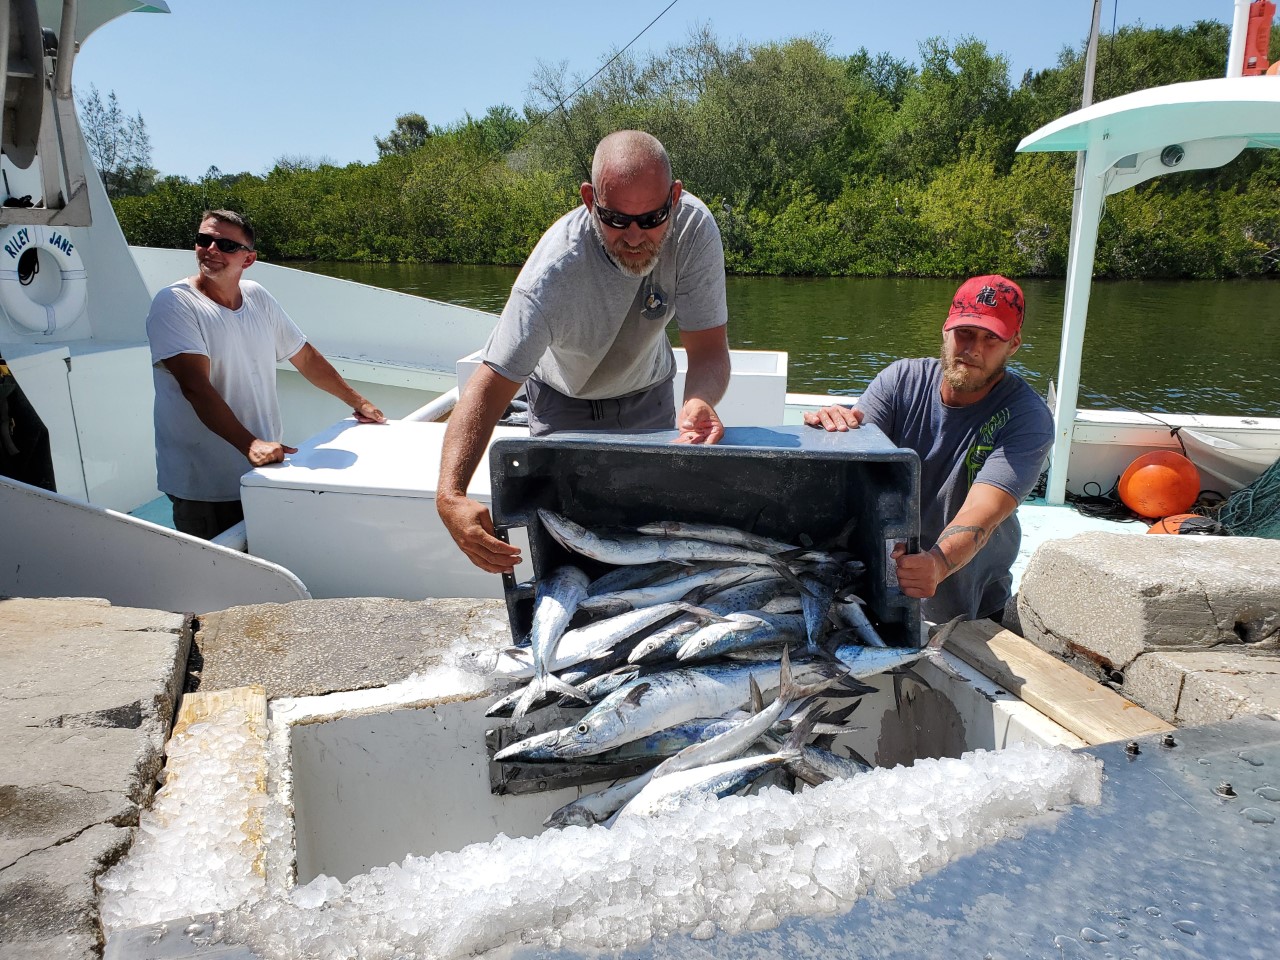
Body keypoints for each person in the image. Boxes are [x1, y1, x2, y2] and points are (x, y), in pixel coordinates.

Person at [438, 130, 731, 574]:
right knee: (572, 556)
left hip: (649, 395)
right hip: (563, 406)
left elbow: (709, 350)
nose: (635, 237)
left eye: (652, 218)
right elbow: (487, 389)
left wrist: (699, 400)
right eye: (616, 219)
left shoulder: (693, 229)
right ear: (590, 200)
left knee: (650, 538)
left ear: (675, 196)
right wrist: (451, 495)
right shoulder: (550, 277)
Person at [804, 275, 1054, 624]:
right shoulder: (900, 381)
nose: (973, 349)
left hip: (970, 605)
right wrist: (830, 430)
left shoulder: (1028, 418)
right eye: (964, 332)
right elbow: (855, 460)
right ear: (945, 330)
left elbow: (985, 509)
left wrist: (937, 562)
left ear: (1013, 345)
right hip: (876, 585)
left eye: (991, 338)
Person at [147, 209, 386, 540]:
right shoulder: (174, 304)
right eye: (204, 240)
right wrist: (251, 444)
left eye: (226, 245)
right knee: (223, 578)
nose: (211, 250)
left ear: (248, 259)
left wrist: (359, 401)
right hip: (205, 483)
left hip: (263, 469)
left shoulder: (258, 297)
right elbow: (195, 387)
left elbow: (304, 357)